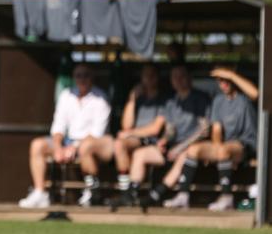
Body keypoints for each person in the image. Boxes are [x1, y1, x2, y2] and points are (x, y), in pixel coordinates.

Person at [157, 67, 257, 211]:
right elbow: (216, 129)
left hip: (247, 144)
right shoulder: (218, 100)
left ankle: (226, 198)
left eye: (227, 80)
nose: (224, 83)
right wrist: (217, 150)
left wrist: (231, 75)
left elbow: (256, 94)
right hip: (225, 147)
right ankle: (183, 196)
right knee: (193, 149)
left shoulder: (243, 98)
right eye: (220, 80)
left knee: (223, 150)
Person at [19, 64, 111, 208]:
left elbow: (97, 132)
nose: (82, 79)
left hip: (92, 143)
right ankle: (40, 193)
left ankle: (91, 192)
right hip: (67, 142)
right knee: (37, 145)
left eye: (85, 75)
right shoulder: (66, 95)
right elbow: (58, 126)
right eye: (78, 75)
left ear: (92, 77)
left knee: (86, 147)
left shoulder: (101, 99)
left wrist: (75, 146)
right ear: (73, 78)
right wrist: (57, 148)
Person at [122, 65, 211, 209]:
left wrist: (180, 147)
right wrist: (164, 140)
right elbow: (170, 129)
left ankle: (155, 195)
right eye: (174, 77)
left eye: (181, 76)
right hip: (173, 147)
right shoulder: (171, 102)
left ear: (189, 78)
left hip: (192, 147)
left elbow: (204, 131)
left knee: (186, 154)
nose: (178, 80)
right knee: (140, 154)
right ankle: (130, 194)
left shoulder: (200, 98)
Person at [103, 64, 167, 208]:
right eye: (145, 76)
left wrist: (131, 133)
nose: (148, 79)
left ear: (157, 78)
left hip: (154, 141)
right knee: (119, 144)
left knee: (134, 150)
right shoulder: (139, 99)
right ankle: (126, 192)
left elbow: (155, 129)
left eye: (151, 76)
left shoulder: (164, 99)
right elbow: (126, 125)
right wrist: (132, 98)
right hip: (136, 139)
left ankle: (129, 193)